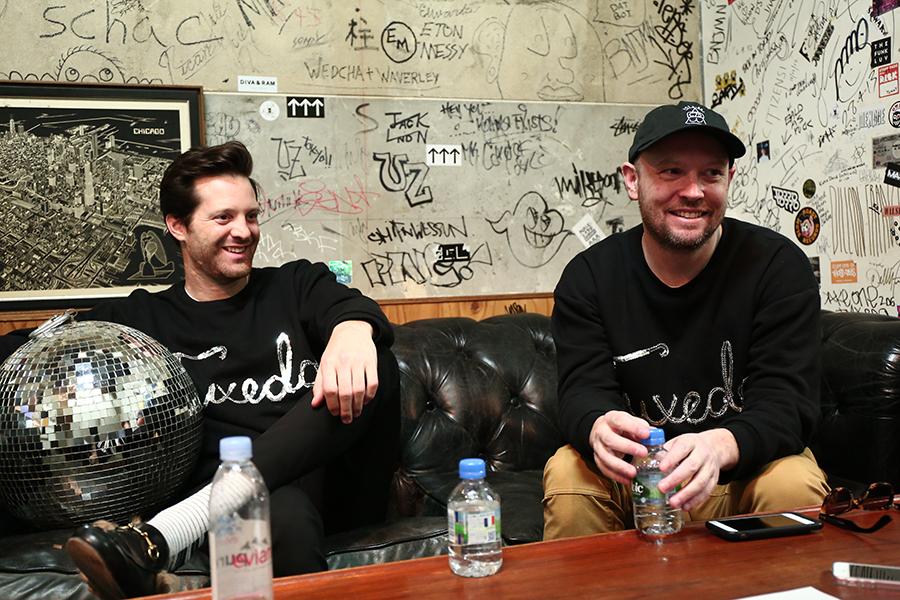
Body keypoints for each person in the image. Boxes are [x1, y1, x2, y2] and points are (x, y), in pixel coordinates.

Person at [0, 141, 400, 599]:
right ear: (178, 226)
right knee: (273, 513)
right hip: (231, 502)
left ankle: (163, 534)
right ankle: (179, 525)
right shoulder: (140, 319)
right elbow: (31, 345)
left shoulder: (293, 284)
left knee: (379, 361)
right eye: (223, 217)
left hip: (324, 481)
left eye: (251, 216)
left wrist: (353, 331)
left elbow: (348, 305)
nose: (243, 231)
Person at [542, 101, 830, 539]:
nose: (693, 191)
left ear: (730, 180)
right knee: (567, 471)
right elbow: (582, 391)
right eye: (671, 171)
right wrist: (596, 425)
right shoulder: (589, 278)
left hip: (739, 474)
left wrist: (717, 445)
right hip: (635, 479)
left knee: (793, 481)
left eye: (711, 173)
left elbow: (788, 403)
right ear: (633, 180)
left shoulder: (777, 267)